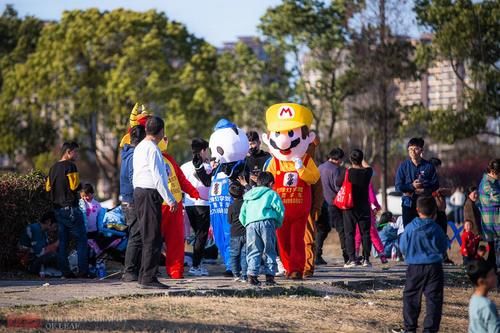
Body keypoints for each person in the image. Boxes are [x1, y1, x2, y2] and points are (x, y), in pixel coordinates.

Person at [132, 116, 177, 289]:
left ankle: (144, 275)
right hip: (150, 193)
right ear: (161, 131)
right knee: (153, 237)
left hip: (139, 192)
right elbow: (158, 177)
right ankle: (148, 278)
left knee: (147, 236)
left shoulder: (140, 147)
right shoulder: (153, 148)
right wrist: (170, 199)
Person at [398, 196, 448, 333]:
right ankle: (430, 329)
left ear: (417, 210)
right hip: (434, 267)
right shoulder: (436, 228)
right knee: (434, 299)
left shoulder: (410, 228)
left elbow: (402, 246)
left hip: (414, 266)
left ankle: (410, 328)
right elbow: (444, 246)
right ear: (434, 211)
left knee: (411, 297)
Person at [159, 137, 200, 279]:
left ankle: (176, 271)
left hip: (175, 205)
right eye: (162, 136)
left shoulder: (169, 158)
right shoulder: (148, 156)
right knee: (153, 240)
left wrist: (193, 191)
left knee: (176, 240)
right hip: (159, 205)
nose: (165, 139)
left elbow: (181, 179)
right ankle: (149, 271)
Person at [46, 141, 88, 278]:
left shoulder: (52, 168)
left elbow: (47, 188)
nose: (77, 155)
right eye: (75, 152)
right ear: (68, 152)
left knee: (63, 241)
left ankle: (65, 272)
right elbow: (74, 187)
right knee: (82, 239)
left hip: (58, 209)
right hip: (71, 208)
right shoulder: (71, 166)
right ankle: (83, 271)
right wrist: (80, 185)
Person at [239, 172, 284, 286]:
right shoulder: (271, 193)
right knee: (269, 250)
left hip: (251, 224)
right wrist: (277, 223)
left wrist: (247, 223)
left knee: (253, 250)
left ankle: (252, 276)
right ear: (270, 183)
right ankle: (270, 277)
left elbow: (242, 213)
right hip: (267, 222)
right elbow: (280, 210)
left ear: (258, 182)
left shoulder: (249, 195)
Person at [181, 138, 212, 277]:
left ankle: (198, 264)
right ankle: (195, 266)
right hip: (202, 204)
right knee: (201, 236)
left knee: (198, 235)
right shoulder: (207, 167)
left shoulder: (184, 166)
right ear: (203, 150)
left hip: (188, 204)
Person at [120, 125, 146, 282]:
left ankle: (134, 270)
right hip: (133, 200)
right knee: (136, 236)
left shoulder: (127, 153)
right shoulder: (134, 154)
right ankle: (129, 271)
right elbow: (133, 177)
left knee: (136, 235)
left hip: (128, 199)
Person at [395, 138, 439, 227]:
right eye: (410, 149)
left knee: (425, 229)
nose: (412, 151)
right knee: (409, 230)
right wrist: (412, 186)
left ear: (421, 150)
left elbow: (436, 184)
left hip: (424, 204)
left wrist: (424, 189)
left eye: (415, 149)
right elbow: (398, 186)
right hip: (408, 204)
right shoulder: (403, 166)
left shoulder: (429, 166)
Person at [343, 149, 373, 268]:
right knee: (365, 233)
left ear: (351, 160)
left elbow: (340, 183)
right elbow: (368, 166)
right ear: (362, 159)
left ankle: (352, 259)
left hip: (350, 206)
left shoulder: (348, 172)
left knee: (349, 233)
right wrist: (362, 160)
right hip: (364, 206)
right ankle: (366, 259)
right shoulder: (367, 172)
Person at [318, 148, 347, 263]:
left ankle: (316, 254)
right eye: (341, 160)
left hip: (321, 203)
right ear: (338, 159)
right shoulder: (336, 170)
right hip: (333, 203)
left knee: (322, 229)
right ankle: (347, 255)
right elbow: (337, 187)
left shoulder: (320, 167)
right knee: (342, 230)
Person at [354, 183, 388, 264]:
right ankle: (382, 255)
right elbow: (372, 199)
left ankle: (355, 255)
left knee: (357, 235)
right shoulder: (367, 182)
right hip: (367, 211)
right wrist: (377, 207)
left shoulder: (352, 179)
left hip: (354, 210)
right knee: (373, 234)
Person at [466, 260, 500, 333]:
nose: (496, 276)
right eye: (492, 274)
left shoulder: (474, 299)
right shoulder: (487, 305)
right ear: (481, 281)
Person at [478, 159, 500, 270]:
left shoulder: (495, 182)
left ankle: (491, 276)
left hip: (495, 223)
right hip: (492, 224)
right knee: (495, 255)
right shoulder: (487, 184)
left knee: (492, 256)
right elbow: (497, 198)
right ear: (493, 171)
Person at [228, 182, 247, 282]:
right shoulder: (246, 204)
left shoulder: (231, 207)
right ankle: (244, 275)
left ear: (230, 194)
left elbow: (229, 221)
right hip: (246, 233)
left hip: (235, 233)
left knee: (234, 254)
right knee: (245, 255)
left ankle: (236, 274)